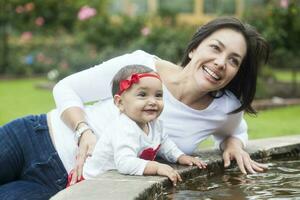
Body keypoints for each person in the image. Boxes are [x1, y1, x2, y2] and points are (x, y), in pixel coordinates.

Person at [52, 17, 269, 184]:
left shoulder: (226, 108)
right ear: (194, 48)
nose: (221, 62)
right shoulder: (141, 65)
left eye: (233, 60)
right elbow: (66, 88)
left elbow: (236, 130)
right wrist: (83, 131)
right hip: (40, 137)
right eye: (215, 47)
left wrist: (232, 143)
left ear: (237, 72)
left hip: (78, 181)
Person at [67, 65, 207, 187]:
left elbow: (165, 144)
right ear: (120, 103)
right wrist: (156, 167)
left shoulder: (155, 124)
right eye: (142, 95)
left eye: (158, 95)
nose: (153, 101)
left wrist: (180, 157)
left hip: (113, 182)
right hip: (92, 184)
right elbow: (125, 163)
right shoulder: (124, 128)